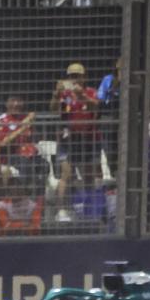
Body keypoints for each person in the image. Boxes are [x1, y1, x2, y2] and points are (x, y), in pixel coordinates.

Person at [53, 62, 101, 223]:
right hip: (68, 139)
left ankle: (89, 211)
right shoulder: (64, 94)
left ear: (84, 77)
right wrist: (55, 95)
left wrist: (83, 97)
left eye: (77, 76)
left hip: (87, 139)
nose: (74, 79)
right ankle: (61, 210)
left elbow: (97, 106)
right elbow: (53, 109)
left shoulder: (91, 92)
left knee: (88, 177)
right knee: (65, 175)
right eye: (71, 76)